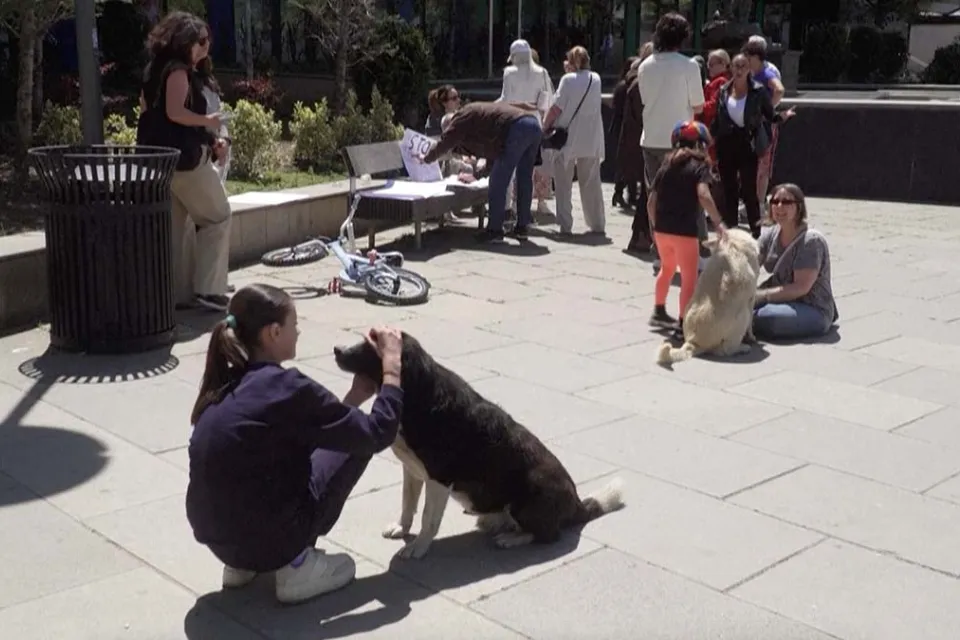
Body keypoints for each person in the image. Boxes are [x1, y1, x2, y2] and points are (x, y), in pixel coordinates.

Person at [186, 283, 405, 605]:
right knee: (357, 446)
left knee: (262, 466)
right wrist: (392, 367)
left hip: (219, 541)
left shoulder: (226, 380)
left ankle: (242, 566)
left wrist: (354, 397)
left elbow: (310, 429)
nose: (299, 332)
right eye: (294, 325)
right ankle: (296, 566)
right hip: (277, 539)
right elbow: (377, 432)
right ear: (273, 333)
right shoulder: (287, 387)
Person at [138, 11, 231, 312]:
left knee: (178, 228)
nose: (206, 47)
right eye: (200, 41)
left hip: (162, 162)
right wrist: (209, 122)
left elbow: (148, 112)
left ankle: (179, 295)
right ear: (184, 42)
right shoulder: (178, 71)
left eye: (207, 41)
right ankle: (210, 290)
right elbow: (175, 112)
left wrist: (208, 138)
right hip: (187, 161)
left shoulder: (154, 70)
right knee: (218, 216)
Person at [421, 101, 541, 243]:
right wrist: (476, 176)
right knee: (524, 178)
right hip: (533, 125)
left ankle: (495, 231)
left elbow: (446, 141)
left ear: (450, 125)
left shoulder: (460, 118)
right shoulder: (479, 120)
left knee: (497, 183)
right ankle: (522, 228)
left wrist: (426, 158)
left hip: (517, 128)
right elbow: (493, 156)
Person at [647, 121, 726, 335]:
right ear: (700, 144)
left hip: (662, 230)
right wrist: (718, 222)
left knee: (666, 269)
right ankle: (683, 325)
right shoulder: (700, 166)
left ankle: (659, 311)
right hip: (685, 231)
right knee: (689, 278)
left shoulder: (665, 165)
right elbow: (703, 195)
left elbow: (651, 202)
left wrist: (656, 227)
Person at [711, 53, 795, 238]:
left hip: (747, 144)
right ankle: (731, 230)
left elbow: (769, 114)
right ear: (731, 68)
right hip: (726, 144)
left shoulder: (758, 91)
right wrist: (710, 138)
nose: (739, 70)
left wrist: (782, 116)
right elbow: (718, 118)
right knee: (729, 189)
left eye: (743, 66)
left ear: (749, 69)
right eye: (736, 66)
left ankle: (756, 231)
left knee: (749, 190)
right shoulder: (724, 90)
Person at [754, 184, 838, 340]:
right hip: (780, 299)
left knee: (767, 316)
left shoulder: (810, 241)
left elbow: (801, 288)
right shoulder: (770, 234)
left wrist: (761, 296)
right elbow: (750, 262)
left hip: (812, 307)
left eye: (787, 202)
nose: (779, 206)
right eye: (775, 201)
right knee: (737, 307)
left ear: (799, 207)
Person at [637, 13, 705, 193]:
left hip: (651, 138)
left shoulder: (644, 66)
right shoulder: (689, 66)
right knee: (678, 194)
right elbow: (698, 106)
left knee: (654, 194)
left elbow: (644, 99)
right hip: (680, 141)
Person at [542, 45, 606, 236]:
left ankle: (565, 224)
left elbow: (556, 108)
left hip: (567, 138)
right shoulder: (596, 78)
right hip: (591, 137)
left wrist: (544, 127)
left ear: (570, 62)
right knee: (591, 182)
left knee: (563, 183)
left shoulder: (567, 80)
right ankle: (597, 223)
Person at [498, 40, 555, 216]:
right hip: (534, 123)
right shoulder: (542, 72)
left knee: (509, 168)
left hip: (514, 121)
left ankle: (508, 208)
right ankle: (524, 215)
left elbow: (505, 99)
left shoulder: (509, 73)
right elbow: (547, 101)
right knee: (527, 172)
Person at [742, 36, 787, 215]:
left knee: (762, 166)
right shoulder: (751, 73)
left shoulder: (767, 73)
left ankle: (759, 205)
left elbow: (779, 90)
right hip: (752, 125)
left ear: (755, 56)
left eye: (748, 56)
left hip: (764, 127)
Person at [623, 42, 655, 254]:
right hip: (643, 142)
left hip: (640, 140)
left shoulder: (639, 82)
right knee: (647, 191)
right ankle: (640, 235)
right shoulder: (640, 84)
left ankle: (641, 235)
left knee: (647, 191)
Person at [610, 56, 639, 208]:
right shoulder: (626, 87)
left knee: (626, 162)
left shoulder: (623, 86)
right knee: (628, 162)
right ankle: (625, 193)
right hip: (625, 127)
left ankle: (624, 193)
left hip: (623, 127)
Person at [697, 48, 731, 164]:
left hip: (712, 129)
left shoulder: (721, 82)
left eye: (711, 64)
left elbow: (713, 106)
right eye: (708, 64)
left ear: (723, 64)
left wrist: (696, 107)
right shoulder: (715, 82)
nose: (708, 67)